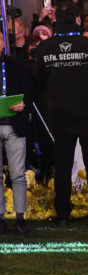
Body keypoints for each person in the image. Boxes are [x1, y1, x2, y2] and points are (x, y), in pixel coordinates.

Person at [35, 1, 88, 227]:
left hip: (60, 115)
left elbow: (40, 81)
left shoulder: (44, 48)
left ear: (56, 20)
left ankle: (62, 216)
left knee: (62, 166)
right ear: (78, 20)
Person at [0, 30, 31, 235]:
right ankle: (0, 218)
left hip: (15, 125)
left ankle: (20, 217)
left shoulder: (15, 65)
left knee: (18, 174)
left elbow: (29, 92)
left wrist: (23, 104)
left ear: (3, 42)